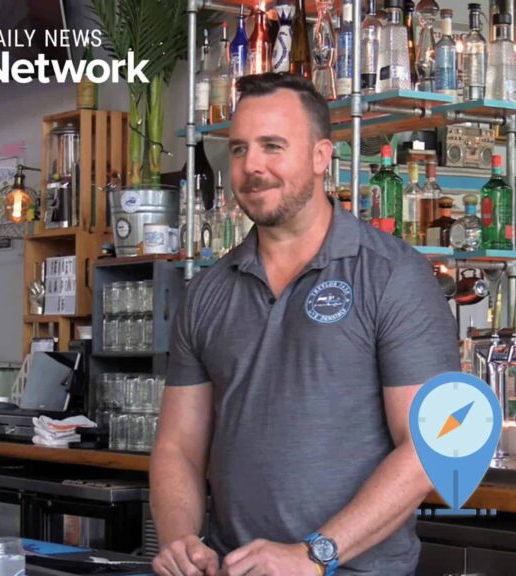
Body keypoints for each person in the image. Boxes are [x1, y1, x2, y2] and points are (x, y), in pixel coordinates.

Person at [150, 72, 460, 576]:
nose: (252, 166)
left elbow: (430, 446)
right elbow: (178, 447)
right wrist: (181, 539)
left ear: (321, 157)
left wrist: (314, 555)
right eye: (239, 149)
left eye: (273, 146)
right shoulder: (208, 291)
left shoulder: (391, 275)